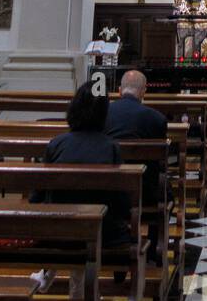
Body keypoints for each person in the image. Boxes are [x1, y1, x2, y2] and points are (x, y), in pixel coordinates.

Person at [29, 81, 131, 243]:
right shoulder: (111, 147)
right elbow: (122, 202)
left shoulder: (57, 144)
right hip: (101, 231)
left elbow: (37, 196)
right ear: (104, 114)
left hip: (59, 230)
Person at [105, 70, 169, 207]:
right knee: (168, 196)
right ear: (143, 92)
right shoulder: (156, 119)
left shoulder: (102, 114)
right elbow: (161, 159)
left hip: (109, 189)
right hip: (145, 192)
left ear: (120, 91)